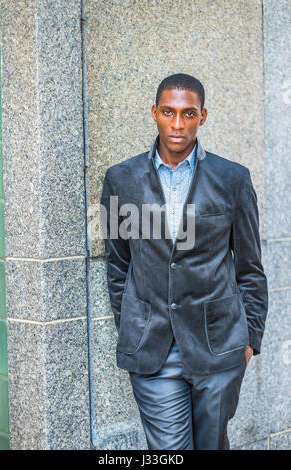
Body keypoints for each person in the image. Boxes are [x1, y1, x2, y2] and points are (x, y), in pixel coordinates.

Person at [100, 73, 268, 450]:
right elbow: (117, 264)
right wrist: (132, 326)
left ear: (203, 116)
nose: (178, 124)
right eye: (168, 112)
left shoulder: (233, 179)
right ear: (154, 113)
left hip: (220, 347)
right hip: (153, 352)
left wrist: (249, 339)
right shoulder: (120, 180)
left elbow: (250, 268)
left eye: (188, 114)